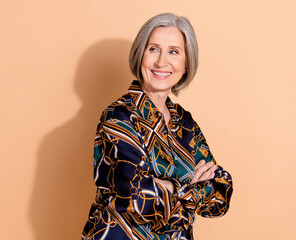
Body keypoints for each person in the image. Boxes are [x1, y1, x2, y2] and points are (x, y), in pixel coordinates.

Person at [82, 12, 233, 240]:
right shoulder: (119, 118)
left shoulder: (185, 123)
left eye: (174, 51)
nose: (162, 62)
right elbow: (136, 199)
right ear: (139, 55)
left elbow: (221, 193)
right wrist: (189, 184)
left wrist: (164, 187)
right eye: (153, 49)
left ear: (186, 64)